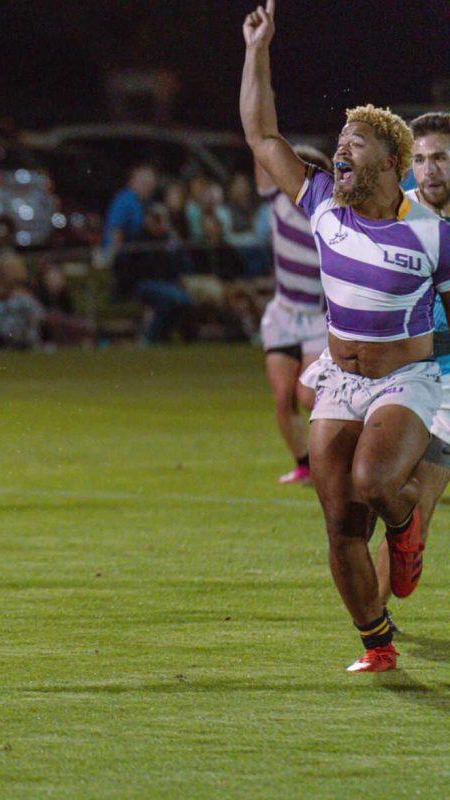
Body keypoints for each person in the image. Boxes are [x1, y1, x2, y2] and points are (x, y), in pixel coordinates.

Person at [241, 0, 450, 673]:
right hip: (340, 382)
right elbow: (261, 133)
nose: (341, 149)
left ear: (393, 161)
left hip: (405, 382)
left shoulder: (433, 234)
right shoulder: (323, 204)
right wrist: (257, 50)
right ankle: (377, 643)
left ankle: (408, 524)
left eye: (356, 141)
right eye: (340, 140)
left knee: (373, 482)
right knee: (339, 522)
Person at [372, 111, 450, 621]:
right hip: (400, 376)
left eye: (440, 157)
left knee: (419, 496)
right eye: (419, 159)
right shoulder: (396, 216)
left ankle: (374, 633)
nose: (429, 171)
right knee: (376, 495)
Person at [256, 145, 332, 485]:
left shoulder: (328, 216)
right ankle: (305, 465)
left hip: (317, 318)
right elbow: (259, 146)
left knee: (307, 395)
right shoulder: (278, 202)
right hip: (284, 314)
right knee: (283, 397)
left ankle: (335, 457)